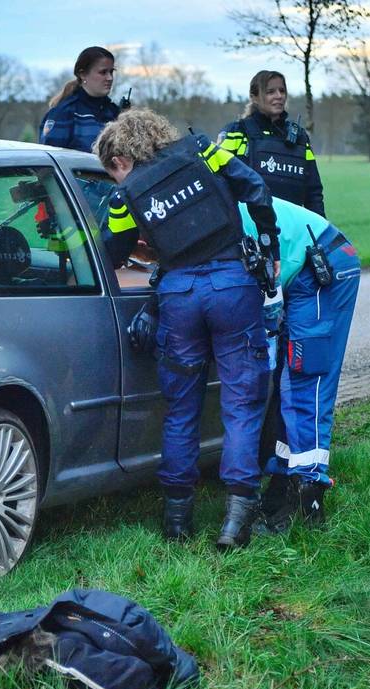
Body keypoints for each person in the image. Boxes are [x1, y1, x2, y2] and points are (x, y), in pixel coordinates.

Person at [96, 108, 281, 549]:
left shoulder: (126, 197)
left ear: (123, 155)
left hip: (178, 295)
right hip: (234, 285)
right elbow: (255, 186)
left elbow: (113, 251)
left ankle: (177, 521)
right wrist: (269, 246)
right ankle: (236, 520)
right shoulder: (202, 150)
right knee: (241, 401)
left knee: (181, 408)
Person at [240, 198, 360, 531]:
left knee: (306, 378)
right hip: (296, 269)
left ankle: (308, 499)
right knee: (285, 383)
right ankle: (282, 484)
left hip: (321, 263)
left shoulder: (207, 213)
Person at [217, 70, 325, 216]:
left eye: (282, 91)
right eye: (270, 92)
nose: (279, 96)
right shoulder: (235, 133)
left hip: (292, 231)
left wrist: (319, 232)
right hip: (250, 230)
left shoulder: (299, 137)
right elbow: (219, 186)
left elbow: (313, 192)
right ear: (254, 97)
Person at [39, 46, 122, 153]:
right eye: (103, 72)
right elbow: (50, 160)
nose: (110, 78)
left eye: (111, 72)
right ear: (82, 74)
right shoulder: (64, 113)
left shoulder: (114, 112)